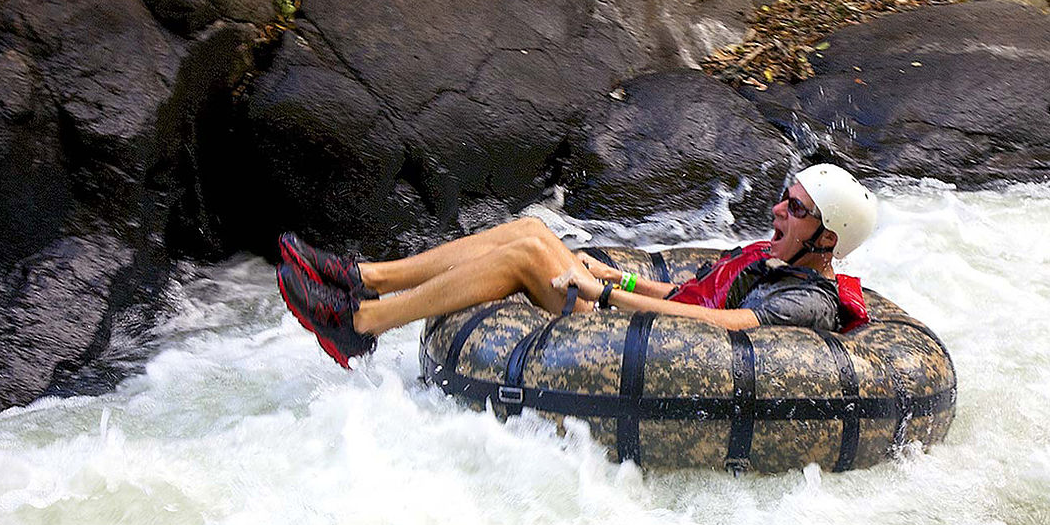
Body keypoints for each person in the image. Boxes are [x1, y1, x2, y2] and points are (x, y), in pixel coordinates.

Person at [276, 164, 878, 367]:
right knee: (534, 229)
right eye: (783, 196)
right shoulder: (773, 258)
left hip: (649, 341)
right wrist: (622, 276)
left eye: (793, 208)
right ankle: (362, 278)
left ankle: (359, 324)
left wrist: (607, 297)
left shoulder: (809, 299)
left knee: (529, 253)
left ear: (826, 238)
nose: (776, 209)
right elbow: (697, 291)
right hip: (645, 312)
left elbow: (725, 326)